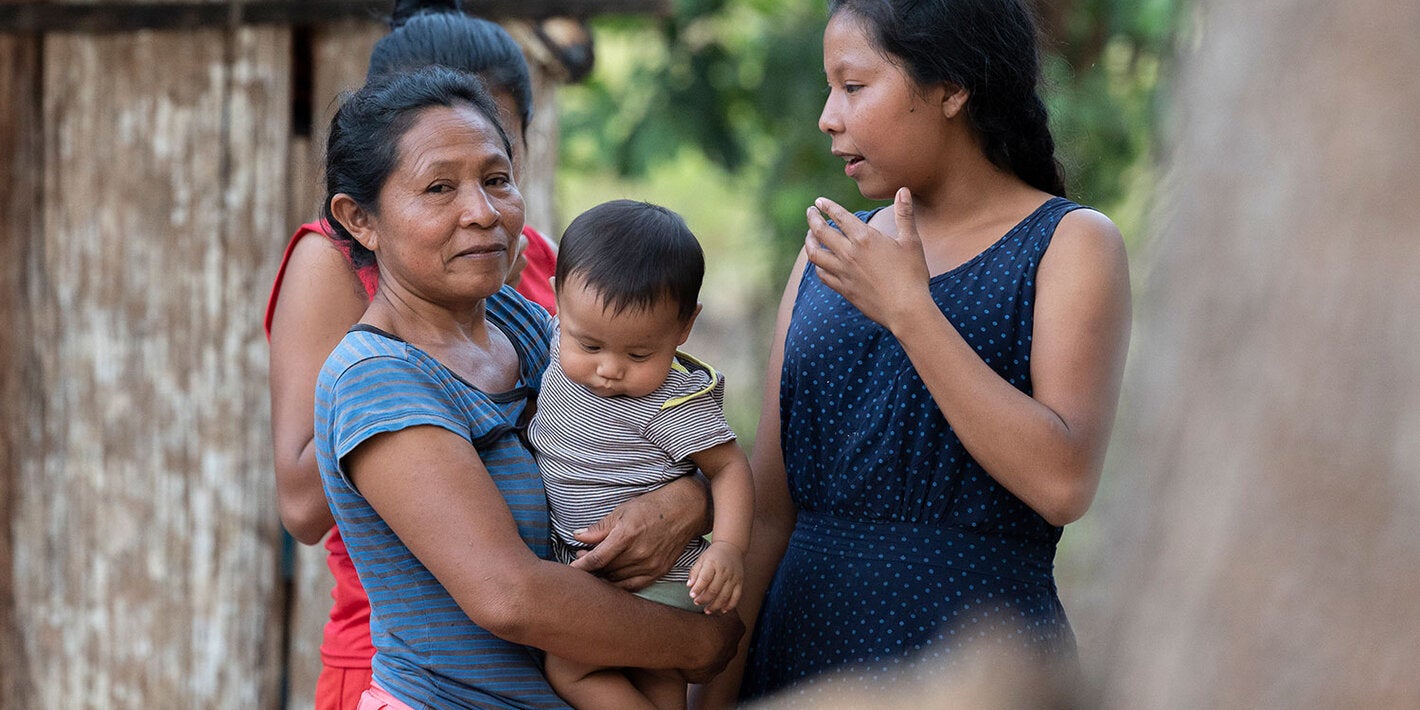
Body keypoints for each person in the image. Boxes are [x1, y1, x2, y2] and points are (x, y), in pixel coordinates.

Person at [266, 2, 711, 708]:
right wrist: (701, 644)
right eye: (439, 188)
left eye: (497, 179)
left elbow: (647, 425)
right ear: (360, 220)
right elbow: (509, 596)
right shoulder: (376, 375)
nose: (481, 211)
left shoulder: (517, 320)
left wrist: (691, 494)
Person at [693, 0, 1132, 704]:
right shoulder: (828, 257)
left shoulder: (1070, 244)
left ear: (952, 87)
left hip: (976, 661)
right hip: (801, 655)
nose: (828, 116)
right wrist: (714, 697)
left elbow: (1063, 482)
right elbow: (772, 513)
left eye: (854, 86)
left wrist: (908, 309)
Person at [527, 200, 755, 709]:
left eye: (638, 355)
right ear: (558, 303)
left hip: (661, 580)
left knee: (569, 667)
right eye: (590, 346)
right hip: (604, 575)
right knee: (662, 685)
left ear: (683, 328)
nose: (609, 369)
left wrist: (729, 549)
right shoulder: (553, 348)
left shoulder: (669, 404)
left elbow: (731, 467)